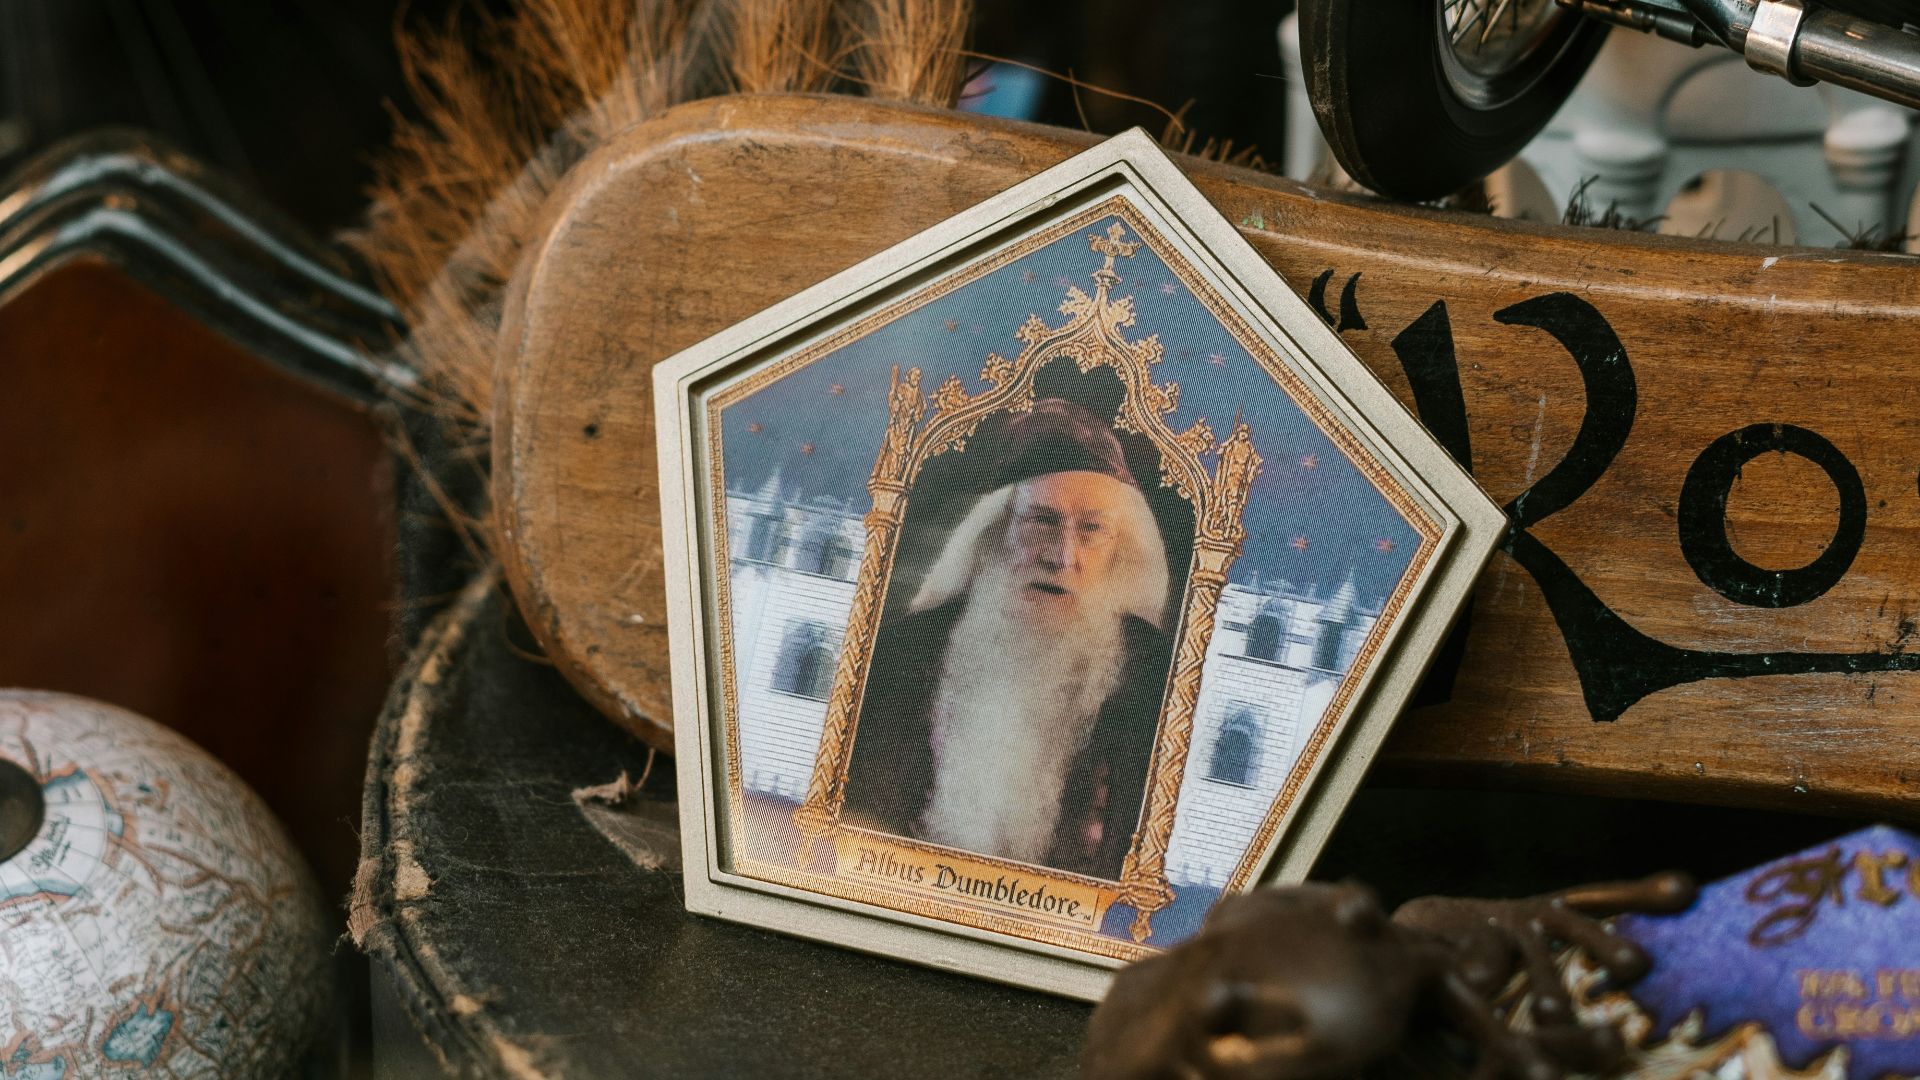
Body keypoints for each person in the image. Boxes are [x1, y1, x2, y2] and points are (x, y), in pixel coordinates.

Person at [842, 398, 1176, 881]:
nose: (1062, 557)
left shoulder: (1156, 678)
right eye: (1041, 521)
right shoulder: (905, 652)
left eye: (1092, 530)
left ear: (1118, 550)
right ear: (997, 528)